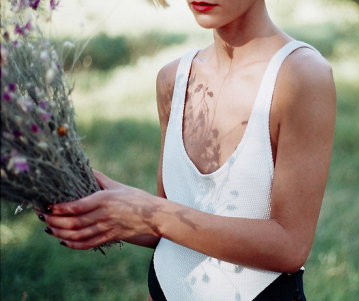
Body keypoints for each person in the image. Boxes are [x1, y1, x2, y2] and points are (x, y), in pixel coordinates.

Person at [37, 0, 336, 300]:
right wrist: (101, 206)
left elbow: (290, 247)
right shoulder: (173, 79)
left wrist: (151, 213)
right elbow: (171, 224)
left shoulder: (301, 77)